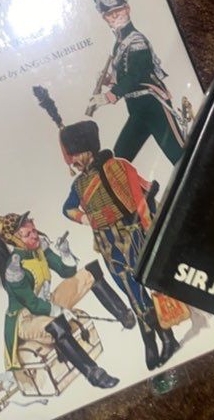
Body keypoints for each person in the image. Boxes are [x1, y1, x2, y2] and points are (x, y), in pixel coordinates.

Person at [58, 119, 179, 370]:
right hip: (107, 245)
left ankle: (166, 339)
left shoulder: (118, 167)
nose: (73, 161)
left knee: (147, 289)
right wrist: (85, 218)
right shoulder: (78, 185)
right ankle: (153, 342)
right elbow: (67, 209)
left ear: (86, 150)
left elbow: (143, 194)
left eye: (75, 155)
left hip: (132, 236)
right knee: (132, 295)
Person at [0, 205, 121, 389]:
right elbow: (32, 304)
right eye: (27, 234)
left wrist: (65, 253)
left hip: (46, 303)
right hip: (27, 318)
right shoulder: (14, 270)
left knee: (90, 273)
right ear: (16, 240)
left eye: (33, 230)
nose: (34, 235)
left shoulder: (40, 248)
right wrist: (59, 311)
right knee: (58, 326)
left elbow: (66, 272)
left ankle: (125, 316)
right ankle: (94, 374)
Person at [87, 0, 188, 164]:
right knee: (118, 162)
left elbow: (136, 75)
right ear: (104, 18)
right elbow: (126, 75)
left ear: (127, 8)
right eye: (109, 14)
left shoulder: (136, 40)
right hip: (136, 109)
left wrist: (110, 95)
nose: (115, 16)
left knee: (181, 157)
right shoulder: (119, 43)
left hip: (153, 105)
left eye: (118, 10)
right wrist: (109, 80)